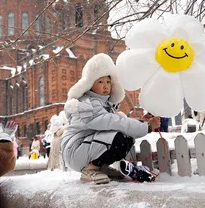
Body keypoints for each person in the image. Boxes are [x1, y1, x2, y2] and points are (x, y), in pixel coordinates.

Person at [61, 53, 160, 184]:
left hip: (85, 146)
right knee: (117, 138)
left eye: (108, 81)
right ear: (90, 84)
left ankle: (101, 167)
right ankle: (90, 169)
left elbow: (117, 122)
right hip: (75, 150)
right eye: (100, 82)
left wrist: (142, 121)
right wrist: (146, 126)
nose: (106, 86)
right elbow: (113, 122)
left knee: (126, 137)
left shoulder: (104, 104)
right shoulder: (88, 103)